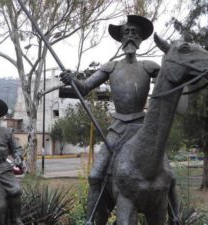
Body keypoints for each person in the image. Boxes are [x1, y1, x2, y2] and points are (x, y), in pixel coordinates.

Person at [60, 15, 161, 224]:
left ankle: (172, 210)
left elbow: (170, 80)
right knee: (96, 176)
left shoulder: (149, 66)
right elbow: (86, 86)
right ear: (121, 38)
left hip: (142, 130)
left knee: (164, 174)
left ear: (141, 38)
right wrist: (73, 80)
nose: (130, 36)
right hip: (117, 129)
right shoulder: (111, 67)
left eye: (134, 32)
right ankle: (91, 219)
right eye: (126, 32)